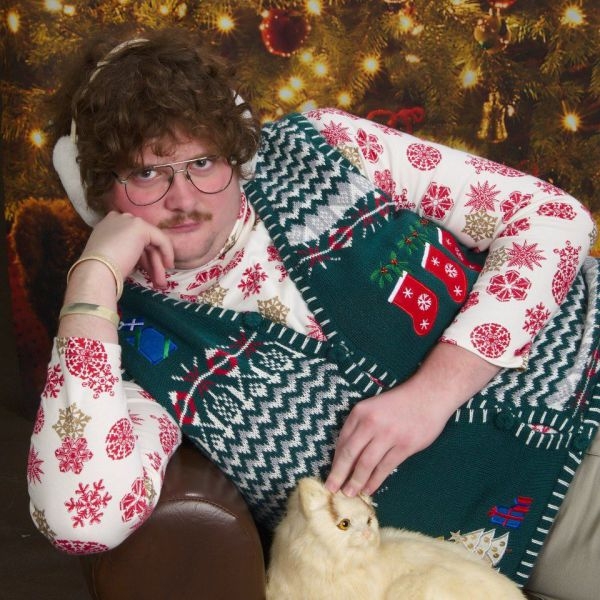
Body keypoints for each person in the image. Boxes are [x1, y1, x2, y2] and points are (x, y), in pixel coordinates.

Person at [26, 27, 599, 598]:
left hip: (585, 354)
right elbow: (83, 519)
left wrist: (435, 393)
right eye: (146, 173)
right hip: (530, 517)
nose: (184, 198)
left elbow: (551, 217)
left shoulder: (325, 145)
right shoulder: (130, 348)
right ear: (92, 190)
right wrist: (92, 281)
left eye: (203, 161)